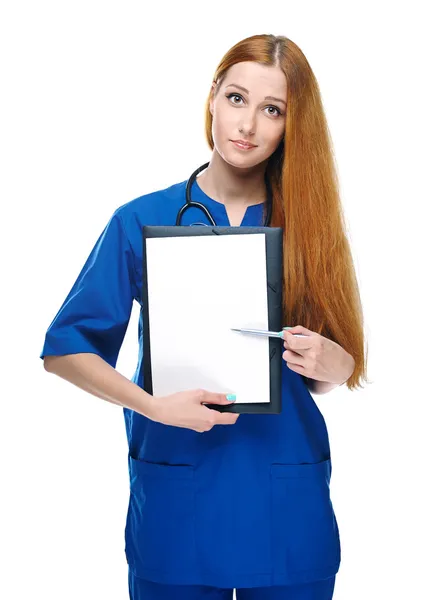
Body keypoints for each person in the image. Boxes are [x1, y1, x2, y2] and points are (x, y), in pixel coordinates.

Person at [40, 33, 368, 600]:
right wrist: (150, 406)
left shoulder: (313, 228)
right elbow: (65, 349)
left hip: (284, 503)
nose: (248, 125)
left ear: (293, 126)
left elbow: (328, 376)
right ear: (212, 97)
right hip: (178, 502)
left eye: (273, 110)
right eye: (237, 99)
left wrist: (336, 361)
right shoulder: (140, 219)